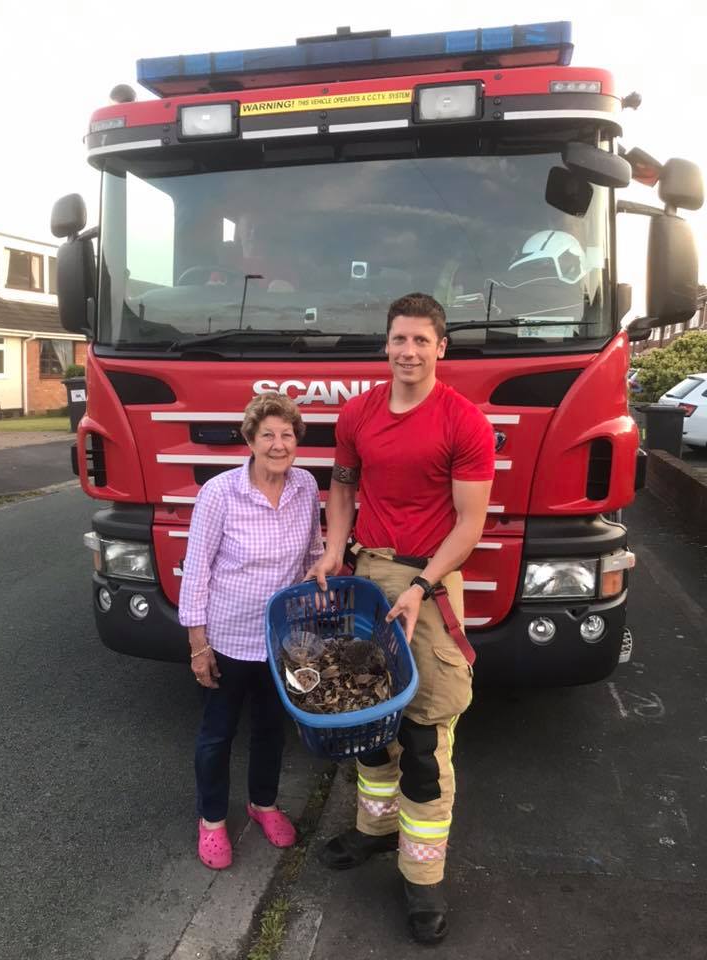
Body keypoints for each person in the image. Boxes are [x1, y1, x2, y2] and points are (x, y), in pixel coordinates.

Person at [307, 292, 495, 944]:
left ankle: (424, 879)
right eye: (399, 340)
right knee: (368, 720)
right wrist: (333, 550)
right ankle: (374, 831)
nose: (409, 352)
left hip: (430, 580)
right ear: (385, 346)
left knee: (424, 733)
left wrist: (420, 585)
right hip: (367, 576)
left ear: (441, 348)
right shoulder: (358, 414)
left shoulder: (463, 422)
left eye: (421, 341)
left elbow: (470, 525)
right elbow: (342, 484)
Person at [179, 392, 323, 869]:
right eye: (268, 435)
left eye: (287, 434)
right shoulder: (219, 493)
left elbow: (311, 555)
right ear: (250, 440)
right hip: (227, 639)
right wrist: (199, 646)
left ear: (296, 441)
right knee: (217, 734)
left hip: (279, 642)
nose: (278, 444)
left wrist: (309, 626)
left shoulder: (305, 487)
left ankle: (262, 805)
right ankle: (212, 820)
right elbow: (196, 572)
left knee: (269, 730)